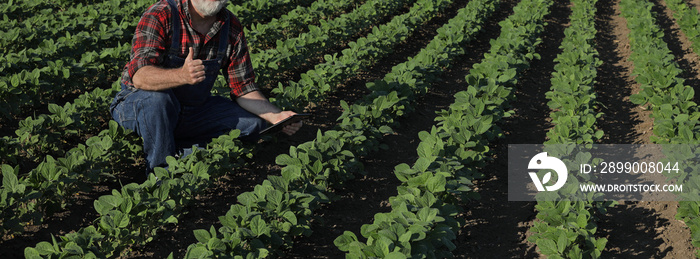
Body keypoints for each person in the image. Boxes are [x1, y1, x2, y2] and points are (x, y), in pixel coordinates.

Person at [110, 0, 301, 170]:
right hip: (138, 105)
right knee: (158, 100)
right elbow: (140, 77)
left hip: (191, 111)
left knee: (254, 123)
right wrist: (181, 75)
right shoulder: (161, 14)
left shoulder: (230, 27)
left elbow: (243, 87)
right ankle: (161, 171)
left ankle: (179, 148)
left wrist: (277, 116)